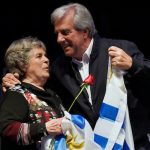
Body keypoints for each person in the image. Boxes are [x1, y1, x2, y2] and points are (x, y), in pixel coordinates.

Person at [2, 3, 150, 149]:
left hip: (132, 144)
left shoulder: (121, 49)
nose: (59, 39)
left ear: (84, 31)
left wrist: (133, 65)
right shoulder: (58, 68)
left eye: (65, 32)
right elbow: (32, 88)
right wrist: (12, 78)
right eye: (57, 34)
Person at [0, 36, 64, 150]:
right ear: (22, 64)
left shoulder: (53, 94)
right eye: (39, 56)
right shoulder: (17, 93)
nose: (46, 59)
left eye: (45, 55)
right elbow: (6, 128)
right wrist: (43, 128)